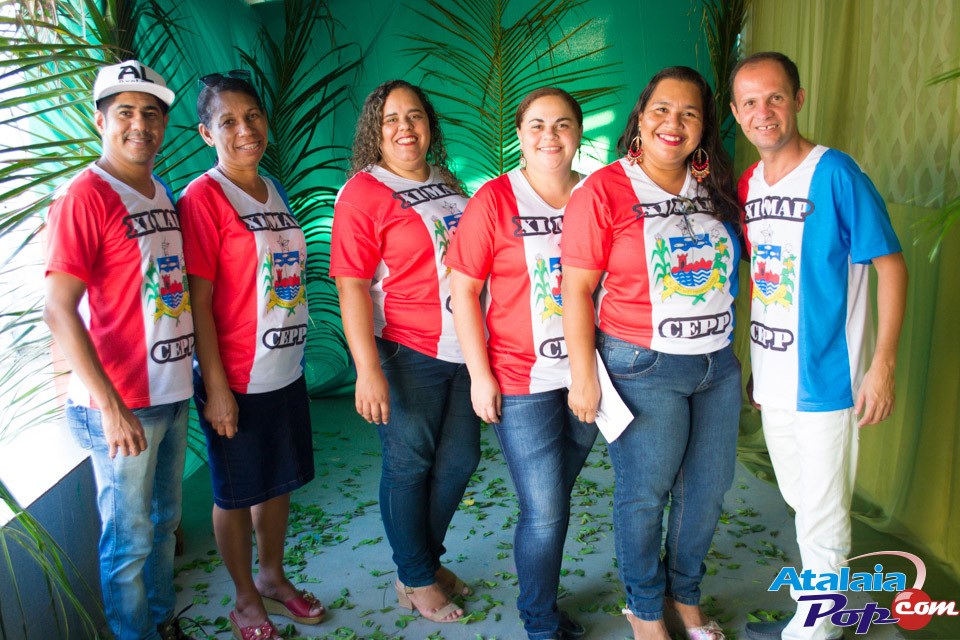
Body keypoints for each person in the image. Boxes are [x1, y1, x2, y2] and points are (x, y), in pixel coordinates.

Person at [730, 52, 908, 640]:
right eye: (750, 102)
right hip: (774, 377)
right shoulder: (749, 184)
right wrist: (757, 365)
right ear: (736, 112)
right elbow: (766, 281)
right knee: (802, 497)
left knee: (824, 509)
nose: (764, 112)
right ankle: (820, 602)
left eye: (775, 97)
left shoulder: (836, 174)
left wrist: (882, 365)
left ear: (798, 100)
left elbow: (891, 266)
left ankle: (819, 627)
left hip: (829, 376)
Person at [561, 66, 742, 640]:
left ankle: (683, 595)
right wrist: (583, 376)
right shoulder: (603, 190)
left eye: (690, 113)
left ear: (704, 127)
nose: (674, 123)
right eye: (662, 109)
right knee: (645, 495)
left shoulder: (715, 187)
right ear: (640, 116)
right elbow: (576, 289)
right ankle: (644, 610)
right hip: (643, 366)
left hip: (718, 366)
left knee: (706, 492)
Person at [42, 60, 195, 640]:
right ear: (99, 120)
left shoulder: (158, 190)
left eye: (151, 113)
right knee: (128, 540)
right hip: (122, 403)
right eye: (125, 112)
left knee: (163, 524)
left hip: (170, 392)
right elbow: (58, 309)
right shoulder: (84, 196)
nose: (140, 125)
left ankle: (161, 623)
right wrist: (110, 407)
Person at [447, 87, 598, 640]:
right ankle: (539, 621)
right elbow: (464, 291)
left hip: (589, 377)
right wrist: (479, 375)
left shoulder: (596, 194)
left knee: (554, 496)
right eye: (536, 125)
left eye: (561, 125)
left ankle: (542, 603)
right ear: (519, 134)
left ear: (579, 133)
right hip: (520, 378)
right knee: (546, 507)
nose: (549, 136)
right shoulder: (494, 199)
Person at [177, 70, 322, 640]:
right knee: (235, 492)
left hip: (284, 368)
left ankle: (272, 577)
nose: (246, 130)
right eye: (229, 121)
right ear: (206, 133)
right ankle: (244, 598)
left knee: (277, 482)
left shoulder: (271, 187)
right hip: (234, 375)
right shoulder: (204, 197)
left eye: (253, 116)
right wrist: (216, 388)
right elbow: (198, 301)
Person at [330, 79, 481, 624]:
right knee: (410, 463)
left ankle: (421, 564)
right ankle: (416, 575)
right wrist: (367, 370)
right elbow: (351, 286)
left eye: (414, 116)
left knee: (460, 460)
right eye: (391, 118)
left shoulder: (444, 180)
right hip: (404, 351)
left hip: (463, 348)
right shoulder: (363, 193)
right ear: (375, 129)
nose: (404, 128)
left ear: (429, 125)